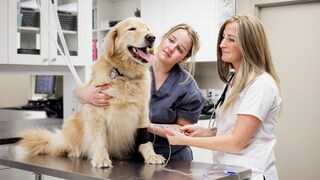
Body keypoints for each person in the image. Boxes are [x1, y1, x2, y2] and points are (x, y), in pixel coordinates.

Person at [164, 14, 281, 180]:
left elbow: (237, 142)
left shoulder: (261, 85)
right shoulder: (234, 80)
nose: (222, 44)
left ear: (249, 45)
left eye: (231, 39)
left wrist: (184, 140)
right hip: (228, 172)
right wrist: (203, 132)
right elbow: (230, 130)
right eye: (223, 37)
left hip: (251, 173)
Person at [75, 23, 205, 161]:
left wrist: (143, 124)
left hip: (171, 159)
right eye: (171, 40)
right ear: (163, 38)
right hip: (128, 157)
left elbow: (184, 131)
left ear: (184, 58)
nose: (171, 48)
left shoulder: (188, 88)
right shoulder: (130, 63)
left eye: (180, 49)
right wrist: (86, 95)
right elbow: (83, 92)